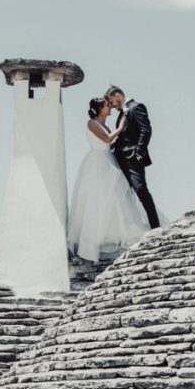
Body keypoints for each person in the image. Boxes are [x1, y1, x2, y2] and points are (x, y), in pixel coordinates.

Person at [67, 97, 151, 262]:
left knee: (114, 199)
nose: (110, 107)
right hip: (96, 164)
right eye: (106, 105)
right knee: (97, 199)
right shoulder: (92, 123)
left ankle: (113, 237)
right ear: (100, 108)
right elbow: (106, 139)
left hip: (108, 162)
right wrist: (120, 128)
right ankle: (91, 243)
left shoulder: (105, 125)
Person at [105, 85, 161, 229]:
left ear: (117, 95)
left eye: (111, 102)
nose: (111, 106)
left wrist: (139, 153)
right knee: (123, 194)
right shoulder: (121, 114)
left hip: (133, 159)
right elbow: (123, 137)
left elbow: (146, 130)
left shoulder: (136, 107)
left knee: (141, 189)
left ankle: (155, 227)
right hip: (120, 160)